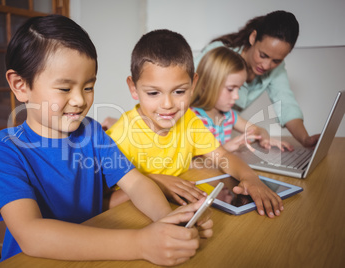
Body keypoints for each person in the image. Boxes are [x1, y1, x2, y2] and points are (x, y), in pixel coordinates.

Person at [0, 15, 213, 266]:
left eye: (88, 87)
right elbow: (32, 235)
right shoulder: (3, 150)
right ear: (20, 85)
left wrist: (168, 221)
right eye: (64, 88)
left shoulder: (92, 133)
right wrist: (141, 243)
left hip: (96, 255)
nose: (80, 100)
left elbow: (136, 184)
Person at [106, 29, 283, 218]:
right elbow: (102, 202)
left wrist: (250, 178)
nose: (168, 105)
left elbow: (222, 156)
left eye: (179, 92)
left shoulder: (189, 120)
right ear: (133, 88)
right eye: (153, 93)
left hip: (178, 206)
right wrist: (154, 182)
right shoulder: (118, 137)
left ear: (193, 85)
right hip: (134, 216)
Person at [195, 10, 319, 148]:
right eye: (263, 55)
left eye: (276, 61)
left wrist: (305, 139)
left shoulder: (228, 115)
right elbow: (184, 88)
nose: (266, 65)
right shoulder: (218, 55)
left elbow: (286, 104)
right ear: (253, 37)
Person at [191, 46, 292, 152]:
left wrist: (265, 139)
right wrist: (224, 150)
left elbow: (258, 130)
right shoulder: (191, 119)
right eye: (230, 89)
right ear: (205, 85)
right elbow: (189, 163)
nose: (236, 96)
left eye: (238, 88)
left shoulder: (228, 116)